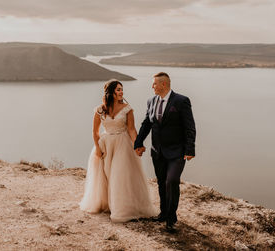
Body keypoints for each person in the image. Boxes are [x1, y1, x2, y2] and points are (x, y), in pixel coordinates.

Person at [79, 79, 156, 222]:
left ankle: (122, 209)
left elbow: (132, 130)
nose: (121, 92)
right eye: (118, 89)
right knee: (105, 176)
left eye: (122, 89)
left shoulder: (128, 109)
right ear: (111, 92)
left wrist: (137, 145)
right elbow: (95, 131)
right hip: (105, 144)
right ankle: (107, 204)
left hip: (122, 144)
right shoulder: (100, 110)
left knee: (119, 176)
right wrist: (97, 148)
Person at [134, 72, 196, 232]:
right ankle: (163, 213)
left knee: (172, 181)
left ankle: (171, 218)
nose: (152, 86)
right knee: (161, 182)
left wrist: (190, 149)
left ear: (164, 84)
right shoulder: (151, 101)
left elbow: (190, 126)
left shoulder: (181, 101)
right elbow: (147, 123)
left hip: (177, 151)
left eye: (154, 83)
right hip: (157, 151)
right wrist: (138, 142)